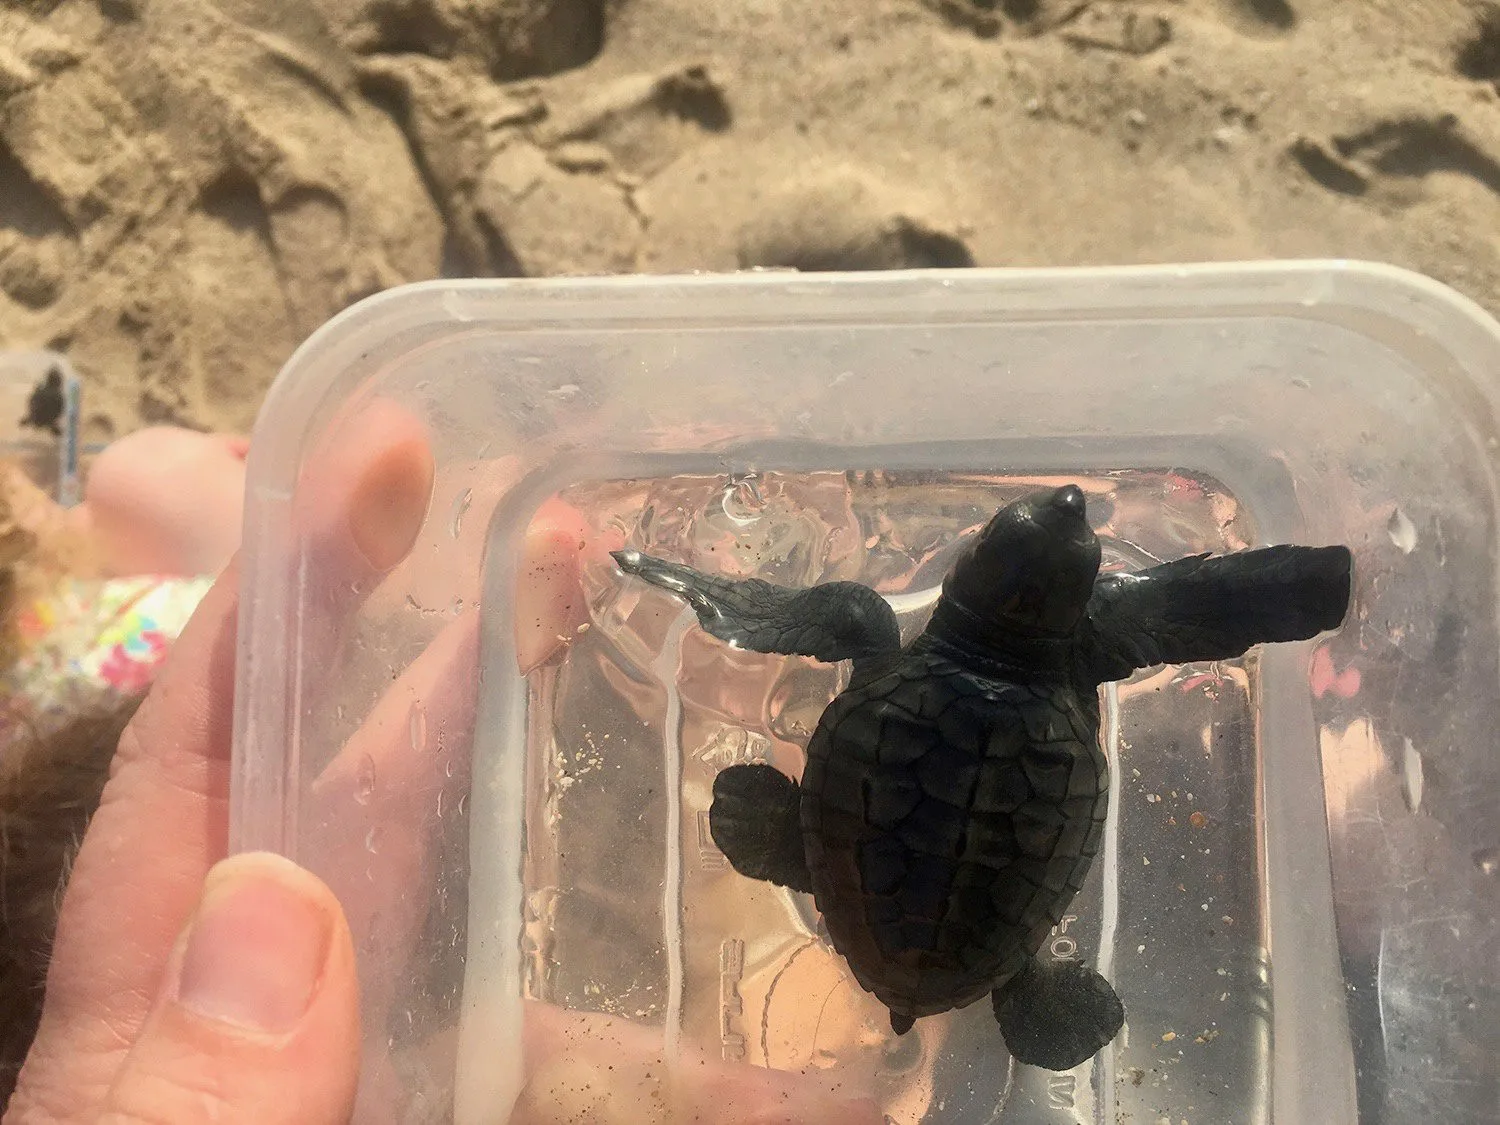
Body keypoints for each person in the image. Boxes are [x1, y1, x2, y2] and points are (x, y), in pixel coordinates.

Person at [1, 407, 881, 1124]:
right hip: (107, 688)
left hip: (112, 690)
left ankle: (106, 526)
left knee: (160, 507)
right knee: (153, 493)